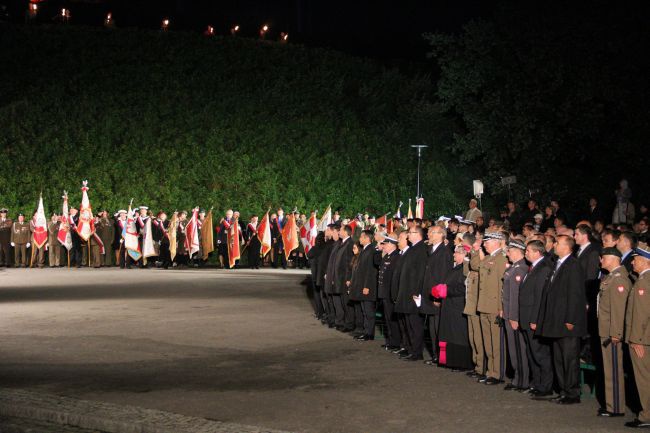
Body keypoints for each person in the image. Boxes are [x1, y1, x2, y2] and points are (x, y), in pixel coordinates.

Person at [537, 234, 587, 404]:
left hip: (567, 321)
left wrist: (571, 319)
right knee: (558, 358)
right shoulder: (557, 264)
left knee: (569, 358)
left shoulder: (573, 265)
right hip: (555, 320)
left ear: (567, 246)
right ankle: (564, 390)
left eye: (557, 242)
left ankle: (572, 393)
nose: (554, 245)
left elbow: (575, 294)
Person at [596, 247, 631, 418]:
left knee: (614, 370)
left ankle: (616, 406)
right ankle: (611, 404)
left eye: (603, 258)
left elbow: (618, 310)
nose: (600, 261)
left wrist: (616, 333)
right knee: (609, 369)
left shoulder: (618, 279)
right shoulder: (611, 277)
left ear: (612, 259)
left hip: (612, 333)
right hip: (606, 330)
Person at [472, 231, 508, 385]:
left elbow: (502, 286)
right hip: (484, 305)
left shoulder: (501, 259)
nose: (484, 244)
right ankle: (490, 371)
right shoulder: (487, 258)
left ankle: (497, 373)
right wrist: (476, 250)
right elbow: (474, 266)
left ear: (496, 242)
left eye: (487, 241)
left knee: (496, 342)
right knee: (487, 341)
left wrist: (501, 307)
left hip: (494, 306)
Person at [520, 240, 553, 398]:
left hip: (534, 319)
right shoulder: (532, 268)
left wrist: (535, 319)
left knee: (540, 354)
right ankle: (537, 383)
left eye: (528, 251)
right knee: (532, 353)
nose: (525, 253)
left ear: (537, 252)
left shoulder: (543, 269)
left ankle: (545, 386)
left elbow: (539, 297)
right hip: (526, 317)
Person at [624, 247, 650, 428]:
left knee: (644, 379)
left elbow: (641, 314)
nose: (632, 262)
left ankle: (646, 415)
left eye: (636, 259)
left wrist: (636, 340)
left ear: (646, 261)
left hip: (642, 340)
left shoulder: (643, 282)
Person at [437, 245, 474, 371]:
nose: (454, 255)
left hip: (458, 306)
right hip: (449, 305)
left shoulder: (466, 269)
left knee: (458, 335)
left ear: (464, 255)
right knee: (449, 334)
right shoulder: (454, 268)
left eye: (457, 253)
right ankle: (449, 361)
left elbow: (464, 287)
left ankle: (461, 363)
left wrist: (447, 290)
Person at [420, 225, 452, 365]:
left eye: (431, 233)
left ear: (440, 235)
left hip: (436, 296)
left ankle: (440, 356)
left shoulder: (444, 252)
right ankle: (435, 354)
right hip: (429, 293)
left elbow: (443, 276)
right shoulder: (431, 250)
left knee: (438, 327)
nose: (429, 235)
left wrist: (438, 297)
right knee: (432, 327)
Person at [394, 226, 427, 361]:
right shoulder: (412, 249)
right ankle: (411, 349)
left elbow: (420, 274)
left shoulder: (421, 249)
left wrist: (417, 292)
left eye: (411, 233)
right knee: (408, 324)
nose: (408, 236)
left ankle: (417, 351)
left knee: (415, 324)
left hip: (413, 293)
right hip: (406, 292)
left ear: (418, 234)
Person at [502, 238, 529, 391]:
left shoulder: (521, 268)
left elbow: (516, 297)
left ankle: (522, 380)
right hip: (508, 313)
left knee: (519, 349)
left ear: (518, 251)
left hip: (514, 315)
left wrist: (514, 317)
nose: (508, 254)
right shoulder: (513, 268)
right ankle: (517, 378)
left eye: (510, 251)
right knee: (513, 349)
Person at [463, 232, 485, 379]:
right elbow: (466, 271)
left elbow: (476, 267)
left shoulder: (481, 259)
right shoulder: (472, 256)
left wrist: (475, 252)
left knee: (478, 336)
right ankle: (477, 364)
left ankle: (481, 367)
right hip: (470, 302)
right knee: (472, 336)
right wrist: (468, 254)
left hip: (477, 302)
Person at [349, 230, 378, 341]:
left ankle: (369, 333)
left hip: (367, 287)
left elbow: (371, 271)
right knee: (364, 311)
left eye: (361, 237)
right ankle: (366, 331)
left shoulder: (371, 250)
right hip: (361, 285)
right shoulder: (364, 250)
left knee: (369, 311)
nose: (360, 239)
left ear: (367, 238)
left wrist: (367, 286)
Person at [377, 235, 400, 350]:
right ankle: (391, 341)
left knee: (392, 319)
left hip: (390, 293)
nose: (383, 246)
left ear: (392, 245)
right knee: (387, 318)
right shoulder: (387, 256)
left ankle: (395, 342)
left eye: (385, 244)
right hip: (384, 292)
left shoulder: (396, 257)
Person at [332, 224, 354, 331]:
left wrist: (348, 279)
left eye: (340, 230)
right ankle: (346, 322)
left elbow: (349, 263)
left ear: (345, 232)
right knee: (342, 302)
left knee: (346, 303)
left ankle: (349, 324)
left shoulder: (350, 244)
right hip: (340, 278)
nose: (339, 231)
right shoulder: (343, 243)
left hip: (345, 279)